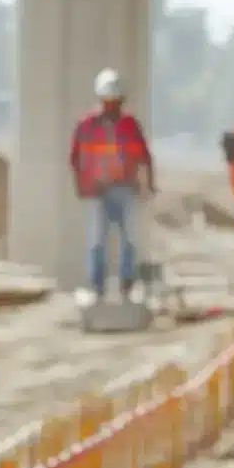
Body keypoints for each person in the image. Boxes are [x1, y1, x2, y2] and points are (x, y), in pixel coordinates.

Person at [70, 68, 155, 303]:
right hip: (99, 191)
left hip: (125, 188)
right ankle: (97, 287)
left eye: (116, 102)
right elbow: (76, 158)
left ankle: (127, 285)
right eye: (109, 102)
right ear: (101, 100)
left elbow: (144, 157)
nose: (112, 107)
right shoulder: (86, 126)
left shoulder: (129, 125)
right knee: (97, 241)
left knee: (129, 239)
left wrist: (149, 183)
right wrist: (81, 184)